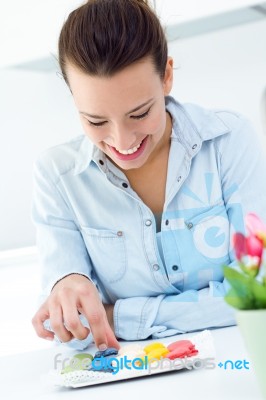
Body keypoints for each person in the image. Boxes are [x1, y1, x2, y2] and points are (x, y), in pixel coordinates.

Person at [31, 0, 266, 351]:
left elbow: (257, 290)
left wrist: (118, 317)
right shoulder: (58, 176)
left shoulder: (228, 142)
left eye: (140, 114)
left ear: (167, 75)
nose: (122, 141)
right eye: (96, 121)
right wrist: (67, 286)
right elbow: (73, 323)